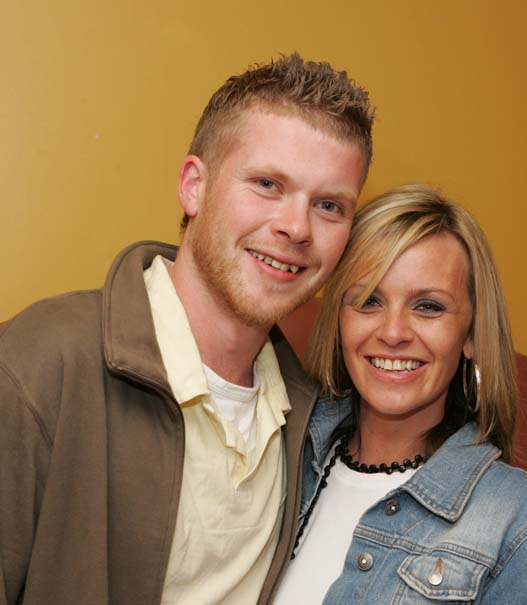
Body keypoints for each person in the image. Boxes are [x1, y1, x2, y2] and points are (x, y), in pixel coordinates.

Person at [0, 54, 374, 605]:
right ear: (194, 186)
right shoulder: (43, 361)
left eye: (328, 205)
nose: (296, 227)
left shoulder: (314, 419)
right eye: (268, 183)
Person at [274, 185, 527, 604]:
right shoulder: (280, 458)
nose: (393, 332)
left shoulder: (525, 526)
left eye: (428, 307)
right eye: (368, 301)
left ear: (472, 335)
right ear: (338, 321)